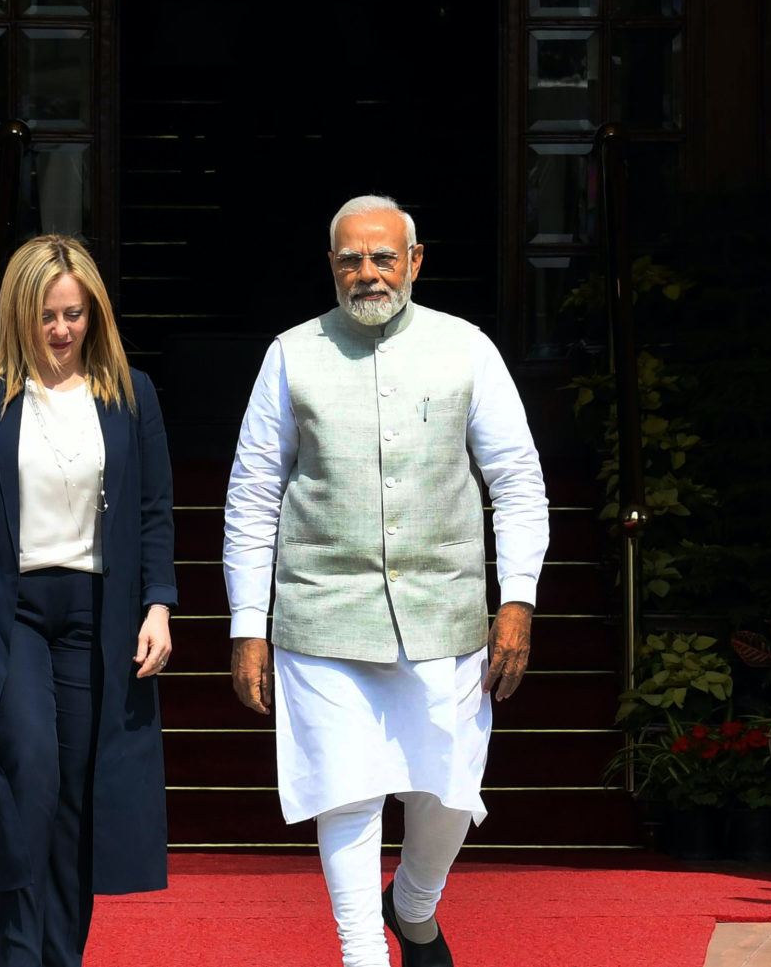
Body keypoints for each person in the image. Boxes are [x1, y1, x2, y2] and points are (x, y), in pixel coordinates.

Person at [223, 195, 549, 967]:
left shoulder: (466, 347)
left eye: (381, 257)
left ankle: (412, 904)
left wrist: (518, 600)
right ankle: (361, 949)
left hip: (447, 612)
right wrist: (247, 622)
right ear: (330, 266)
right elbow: (252, 491)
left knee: (448, 789)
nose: (366, 273)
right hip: (323, 613)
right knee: (345, 790)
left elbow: (516, 479)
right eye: (349, 259)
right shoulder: (291, 353)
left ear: (415, 261)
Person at [0, 235, 175, 967]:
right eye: (47, 316)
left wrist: (158, 603)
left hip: (98, 617)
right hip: (11, 613)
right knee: (26, 773)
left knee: (76, 796)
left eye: (75, 314)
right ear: (19, 316)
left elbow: (155, 508)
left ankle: (61, 956)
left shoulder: (131, 396)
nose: (62, 330)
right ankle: (16, 954)